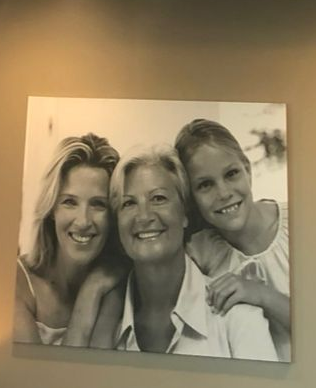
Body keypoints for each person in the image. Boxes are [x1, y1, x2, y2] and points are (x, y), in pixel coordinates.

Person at [98, 145, 277, 360]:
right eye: (128, 203)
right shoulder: (102, 323)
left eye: (158, 198)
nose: (143, 217)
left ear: (185, 213)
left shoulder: (238, 318)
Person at [175, 117, 290, 361]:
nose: (224, 193)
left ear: (247, 170)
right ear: (190, 197)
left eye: (231, 174)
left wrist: (261, 294)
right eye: (205, 185)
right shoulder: (199, 251)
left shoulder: (300, 225)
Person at [14, 133, 125, 346]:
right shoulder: (16, 280)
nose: (83, 221)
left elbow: (93, 373)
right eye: (69, 202)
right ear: (52, 208)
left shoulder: (116, 279)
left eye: (98, 204)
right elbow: (42, 377)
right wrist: (91, 291)